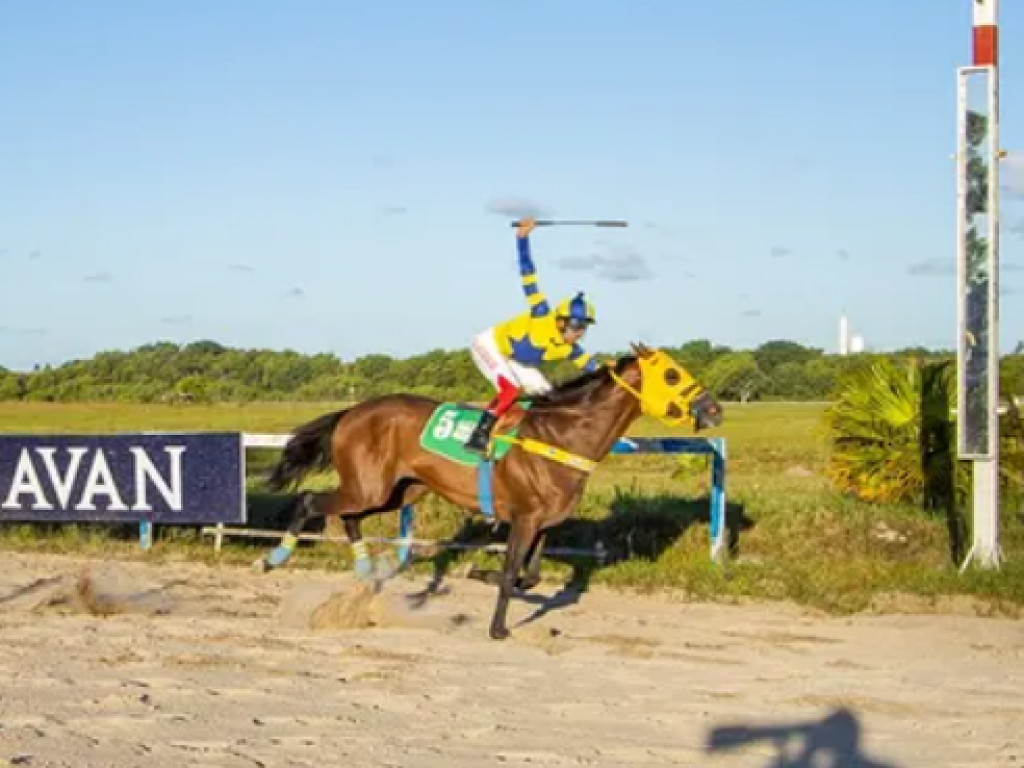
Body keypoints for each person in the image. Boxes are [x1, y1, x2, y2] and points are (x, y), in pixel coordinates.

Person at [464, 216, 600, 454]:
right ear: (560, 321)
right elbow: (528, 274)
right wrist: (523, 238)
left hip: (515, 360)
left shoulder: (571, 349)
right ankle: (479, 434)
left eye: (584, 328)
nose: (579, 333)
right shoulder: (541, 312)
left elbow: (595, 371)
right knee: (510, 390)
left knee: (549, 396)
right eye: (576, 326)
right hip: (490, 345)